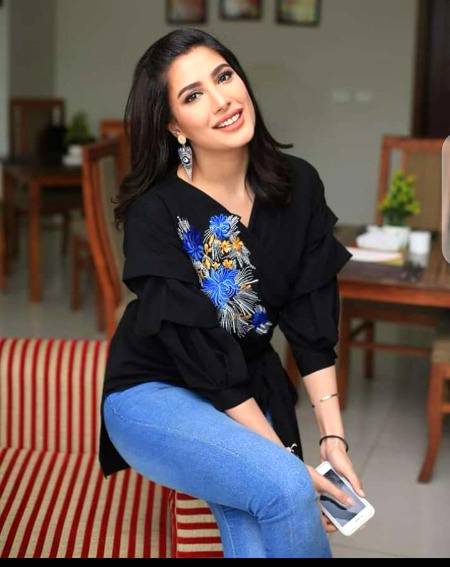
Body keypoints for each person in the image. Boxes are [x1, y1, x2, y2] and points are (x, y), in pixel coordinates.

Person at [99, 28, 363, 558]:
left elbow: (311, 323)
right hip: (155, 390)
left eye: (224, 77)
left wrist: (333, 440)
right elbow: (199, 354)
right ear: (174, 125)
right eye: (193, 94)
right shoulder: (157, 213)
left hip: (244, 384)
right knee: (285, 486)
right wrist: (283, 459)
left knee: (267, 509)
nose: (221, 100)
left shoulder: (298, 185)